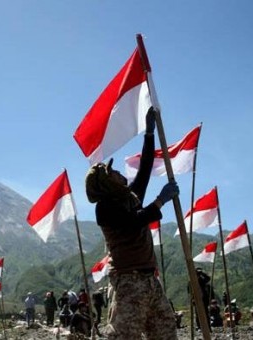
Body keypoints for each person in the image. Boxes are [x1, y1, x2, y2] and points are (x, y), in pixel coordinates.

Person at [85, 107, 180, 340]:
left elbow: (146, 168)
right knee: (123, 335)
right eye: (113, 172)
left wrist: (149, 134)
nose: (118, 172)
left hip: (149, 280)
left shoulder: (130, 198)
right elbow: (132, 223)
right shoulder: (105, 209)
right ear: (106, 184)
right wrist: (160, 201)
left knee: (165, 331)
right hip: (128, 281)